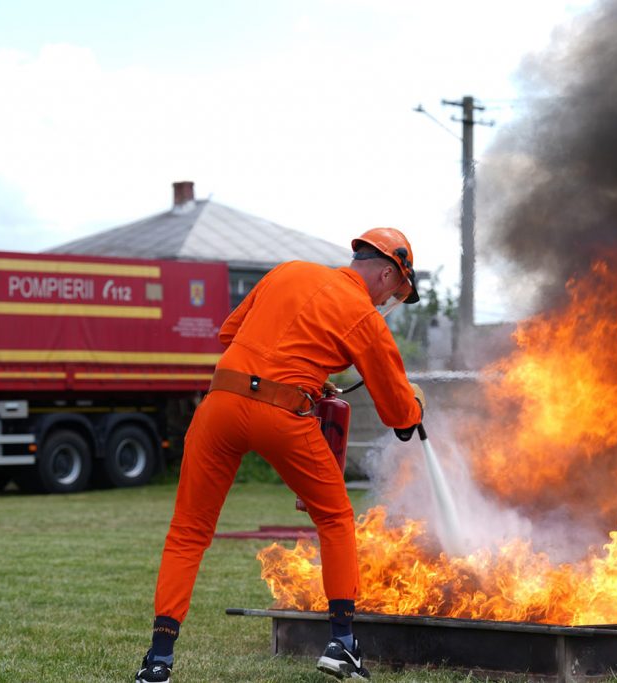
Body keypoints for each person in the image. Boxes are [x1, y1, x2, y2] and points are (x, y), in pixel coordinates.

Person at [136, 227, 427, 683]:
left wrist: (310, 375)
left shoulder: (288, 270)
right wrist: (415, 408)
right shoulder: (362, 314)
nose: (389, 300)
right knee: (334, 519)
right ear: (388, 272)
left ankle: (158, 659)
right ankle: (343, 644)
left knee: (189, 531)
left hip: (221, 404)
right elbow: (398, 414)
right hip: (283, 416)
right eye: (396, 290)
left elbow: (229, 333)